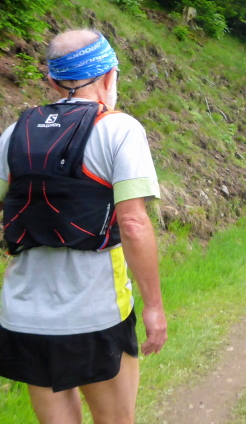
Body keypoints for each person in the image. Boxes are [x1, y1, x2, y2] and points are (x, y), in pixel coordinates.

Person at [0, 29, 167, 423]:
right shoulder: (119, 129)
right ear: (108, 76)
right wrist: (154, 307)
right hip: (95, 313)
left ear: (52, 81)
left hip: (23, 315)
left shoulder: (13, 133)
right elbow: (133, 223)